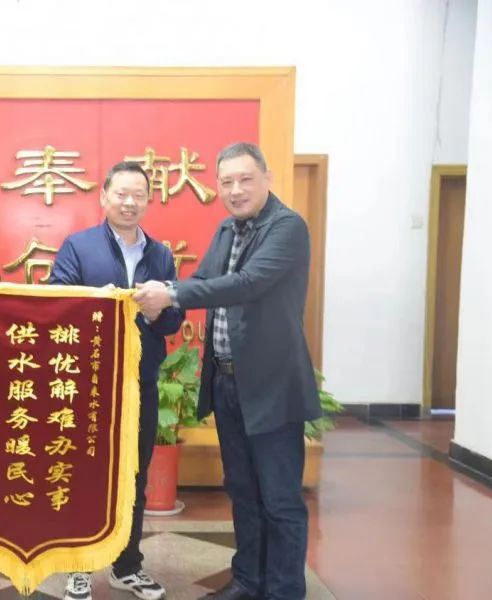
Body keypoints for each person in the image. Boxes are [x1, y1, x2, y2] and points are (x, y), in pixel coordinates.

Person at [133, 143, 321, 600]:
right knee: (242, 490)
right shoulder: (226, 229)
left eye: (245, 179)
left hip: (271, 386)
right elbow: (203, 280)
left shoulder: (288, 227)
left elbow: (247, 284)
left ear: (267, 179)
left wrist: (171, 294)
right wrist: (165, 292)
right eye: (227, 182)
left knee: (279, 498)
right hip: (227, 382)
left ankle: (283, 591)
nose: (236, 190)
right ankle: (249, 581)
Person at [48, 161, 185, 600]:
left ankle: (127, 566)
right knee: (83, 475)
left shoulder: (160, 254)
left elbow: (174, 321)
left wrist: (158, 312)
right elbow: (56, 305)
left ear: (148, 200)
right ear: (103, 197)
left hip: (139, 383)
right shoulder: (79, 246)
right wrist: (98, 305)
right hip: (88, 386)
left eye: (138, 195)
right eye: (121, 194)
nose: (129, 202)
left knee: (134, 475)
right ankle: (80, 568)